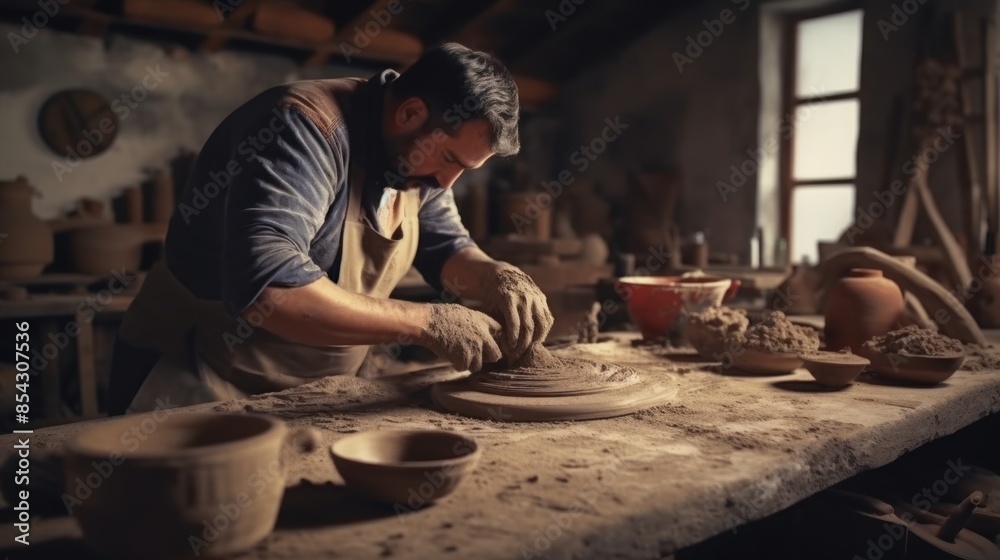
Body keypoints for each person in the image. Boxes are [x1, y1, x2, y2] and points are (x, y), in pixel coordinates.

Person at [107, 43, 553, 415]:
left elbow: (446, 248)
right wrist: (427, 322)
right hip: (197, 377)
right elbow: (269, 290)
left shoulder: (419, 161)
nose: (447, 183)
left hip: (305, 387)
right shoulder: (302, 127)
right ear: (411, 113)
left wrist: (496, 275)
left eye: (464, 170)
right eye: (452, 160)